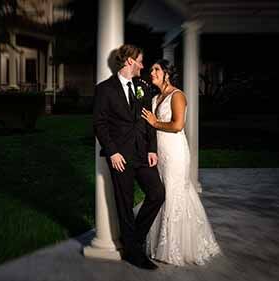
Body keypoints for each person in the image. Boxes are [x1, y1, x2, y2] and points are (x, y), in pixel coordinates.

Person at [141, 59, 221, 265]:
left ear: (167, 73)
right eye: (151, 69)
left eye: (156, 69)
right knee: (160, 194)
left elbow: (177, 125)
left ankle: (175, 248)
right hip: (159, 152)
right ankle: (159, 241)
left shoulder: (178, 96)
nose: (152, 72)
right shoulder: (156, 96)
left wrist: (155, 122)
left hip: (175, 153)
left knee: (174, 193)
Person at [93, 44, 165, 270]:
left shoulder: (142, 86)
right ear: (129, 62)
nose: (143, 66)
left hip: (143, 153)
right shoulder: (105, 89)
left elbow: (148, 119)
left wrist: (152, 148)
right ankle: (134, 253)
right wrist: (112, 151)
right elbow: (100, 123)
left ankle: (133, 239)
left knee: (157, 193)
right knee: (124, 204)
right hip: (120, 156)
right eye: (140, 61)